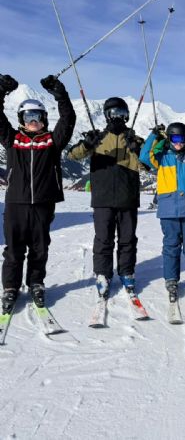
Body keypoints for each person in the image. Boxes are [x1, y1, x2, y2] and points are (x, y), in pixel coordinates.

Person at [0, 74, 76, 313]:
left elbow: (68, 119)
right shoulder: (12, 140)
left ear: (44, 119)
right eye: (28, 116)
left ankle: (36, 283)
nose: (33, 121)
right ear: (21, 119)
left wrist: (60, 93)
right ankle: (10, 287)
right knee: (14, 249)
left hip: (43, 202)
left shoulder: (52, 141)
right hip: (16, 202)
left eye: (37, 116)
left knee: (39, 248)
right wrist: (1, 90)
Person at [68, 97, 144, 300]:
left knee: (128, 239)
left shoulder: (135, 140)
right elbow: (72, 155)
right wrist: (86, 144)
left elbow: (148, 165)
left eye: (122, 113)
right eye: (113, 113)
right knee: (103, 239)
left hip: (128, 198)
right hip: (103, 199)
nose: (117, 117)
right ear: (107, 115)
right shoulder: (98, 137)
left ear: (127, 116)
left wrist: (139, 151)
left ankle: (127, 272)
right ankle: (103, 274)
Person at [139, 122, 185, 302]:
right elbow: (145, 156)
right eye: (175, 139)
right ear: (170, 139)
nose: (179, 143)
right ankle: (171, 279)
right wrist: (155, 136)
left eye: (183, 139)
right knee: (171, 247)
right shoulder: (162, 159)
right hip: (168, 211)